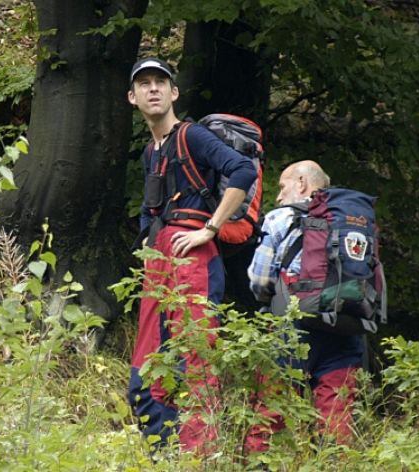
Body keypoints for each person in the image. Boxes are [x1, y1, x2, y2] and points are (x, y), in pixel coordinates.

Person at [126, 57, 258, 451]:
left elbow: (242, 171)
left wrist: (210, 229)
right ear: (132, 97)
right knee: (147, 371)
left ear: (174, 92)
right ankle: (163, 456)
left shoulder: (192, 136)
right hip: (160, 261)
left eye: (160, 82)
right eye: (144, 84)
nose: (153, 89)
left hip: (193, 257)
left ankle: (198, 457)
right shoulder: (152, 152)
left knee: (194, 362)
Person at [246, 160, 364, 451]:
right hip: (346, 328)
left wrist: (271, 301)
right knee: (337, 421)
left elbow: (259, 280)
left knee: (268, 418)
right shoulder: (356, 219)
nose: (278, 196)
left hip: (292, 328)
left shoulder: (281, 217)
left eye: (282, 186)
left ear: (301, 183)